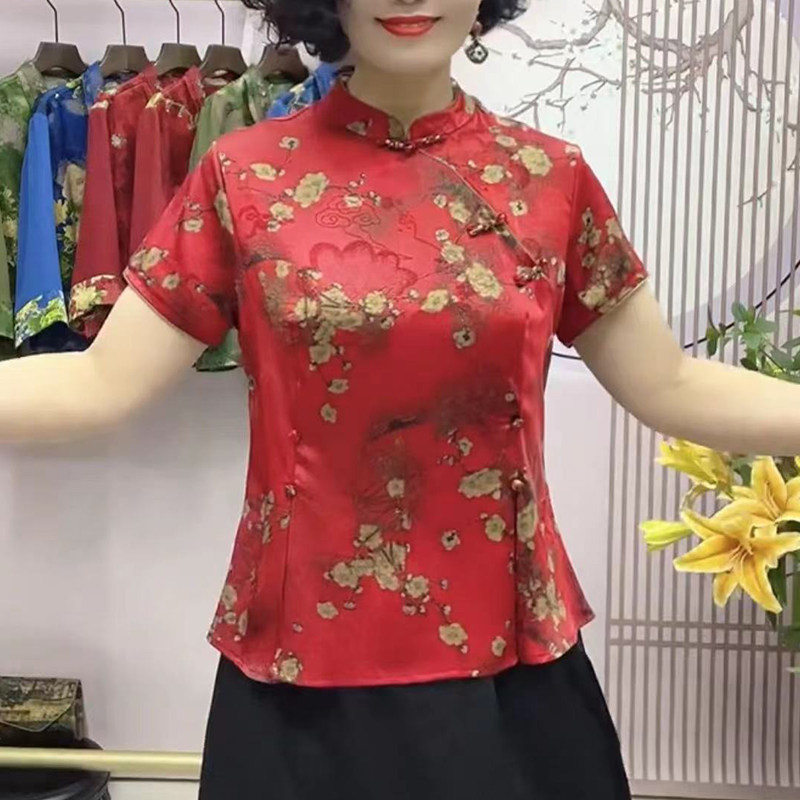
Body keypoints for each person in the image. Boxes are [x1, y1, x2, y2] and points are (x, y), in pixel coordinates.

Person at [3, 1, 798, 798]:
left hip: (510, 678)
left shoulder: (548, 177)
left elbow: (669, 382)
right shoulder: (244, 174)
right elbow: (101, 381)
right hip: (299, 679)